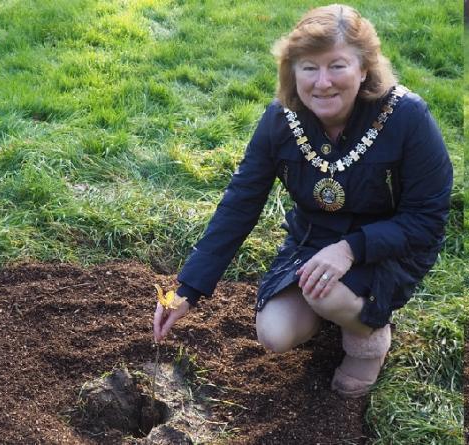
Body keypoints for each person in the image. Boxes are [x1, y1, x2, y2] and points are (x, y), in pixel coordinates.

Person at [153, 4, 452, 398]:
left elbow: (427, 219)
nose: (322, 82)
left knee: (323, 291)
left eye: (337, 65)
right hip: (313, 240)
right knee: (275, 333)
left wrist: (350, 249)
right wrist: (187, 288)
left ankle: (369, 340)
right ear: (292, 71)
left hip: (390, 246)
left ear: (364, 68)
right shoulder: (281, 119)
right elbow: (240, 202)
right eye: (309, 67)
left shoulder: (406, 116)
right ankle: (341, 308)